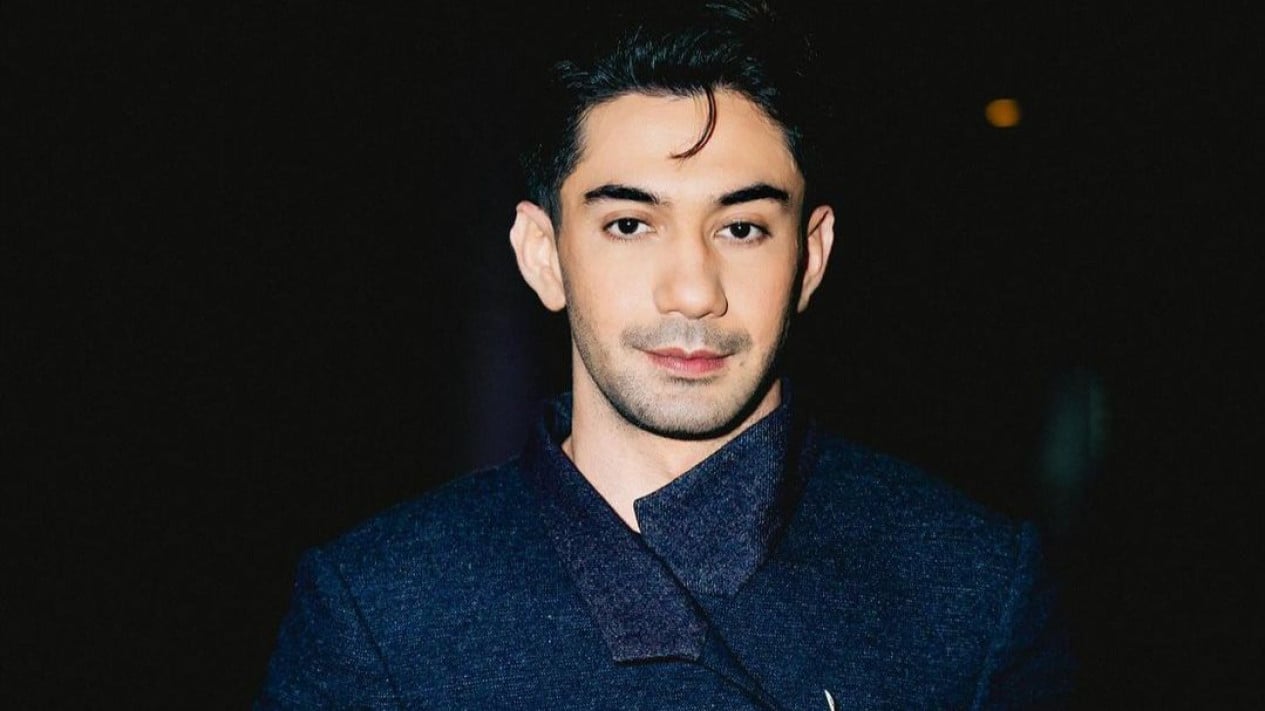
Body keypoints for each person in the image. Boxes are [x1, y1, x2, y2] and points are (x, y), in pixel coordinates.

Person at [255, 2, 1075, 708]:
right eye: (629, 224)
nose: (691, 291)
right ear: (543, 255)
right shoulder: (379, 609)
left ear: (811, 256)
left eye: (741, 228)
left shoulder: (970, 587)